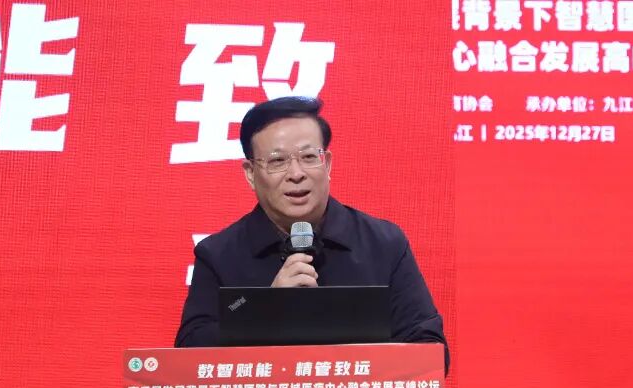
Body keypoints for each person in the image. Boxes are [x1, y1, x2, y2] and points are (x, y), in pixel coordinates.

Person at [174, 96, 448, 370]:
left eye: (308, 157)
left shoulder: (383, 244)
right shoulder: (219, 255)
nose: (296, 174)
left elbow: (431, 354)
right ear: (250, 173)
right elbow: (188, 356)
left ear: (326, 164)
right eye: (277, 161)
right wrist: (262, 308)